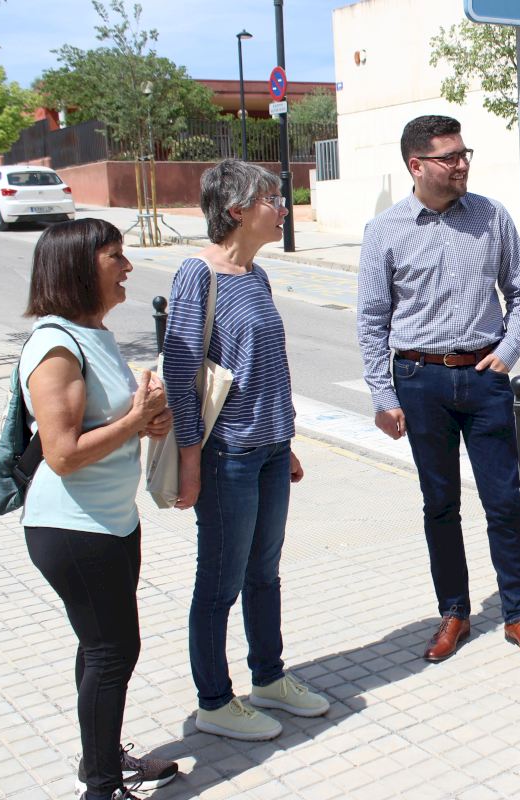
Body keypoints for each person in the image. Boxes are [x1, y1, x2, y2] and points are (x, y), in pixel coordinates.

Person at [357, 114, 520, 664]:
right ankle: (455, 613)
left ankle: (518, 614)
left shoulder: (491, 216)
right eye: (450, 157)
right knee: (440, 504)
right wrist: (383, 396)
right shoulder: (385, 231)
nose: (462, 164)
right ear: (416, 166)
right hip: (419, 382)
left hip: (484, 378)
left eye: (465, 154)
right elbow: (371, 320)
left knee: (503, 502)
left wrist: (507, 353)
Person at [163, 160, 329, 741]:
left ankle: (269, 678)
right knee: (219, 583)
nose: (283, 208)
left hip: (268, 450)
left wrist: (286, 442)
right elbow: (180, 375)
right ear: (236, 210)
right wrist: (190, 462)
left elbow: (267, 370)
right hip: (226, 457)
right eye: (272, 199)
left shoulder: (255, 275)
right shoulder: (197, 275)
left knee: (264, 573)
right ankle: (214, 701)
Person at [20, 219, 178, 800]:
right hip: (72, 526)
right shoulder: (55, 346)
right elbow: (62, 454)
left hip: (111, 520)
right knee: (114, 651)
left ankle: (101, 760)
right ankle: (102, 787)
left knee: (99, 647)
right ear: (79, 268)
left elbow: (109, 423)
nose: (128, 266)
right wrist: (135, 421)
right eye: (116, 255)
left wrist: (147, 419)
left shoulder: (94, 333)